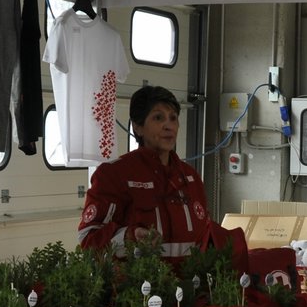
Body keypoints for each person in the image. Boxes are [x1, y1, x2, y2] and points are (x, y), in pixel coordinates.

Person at [76, 85, 220, 257]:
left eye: (173, 118)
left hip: (189, 283)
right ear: (138, 127)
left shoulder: (191, 177)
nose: (169, 126)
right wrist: (129, 236)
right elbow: (88, 240)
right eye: (158, 118)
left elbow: (205, 237)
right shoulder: (114, 174)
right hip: (137, 283)